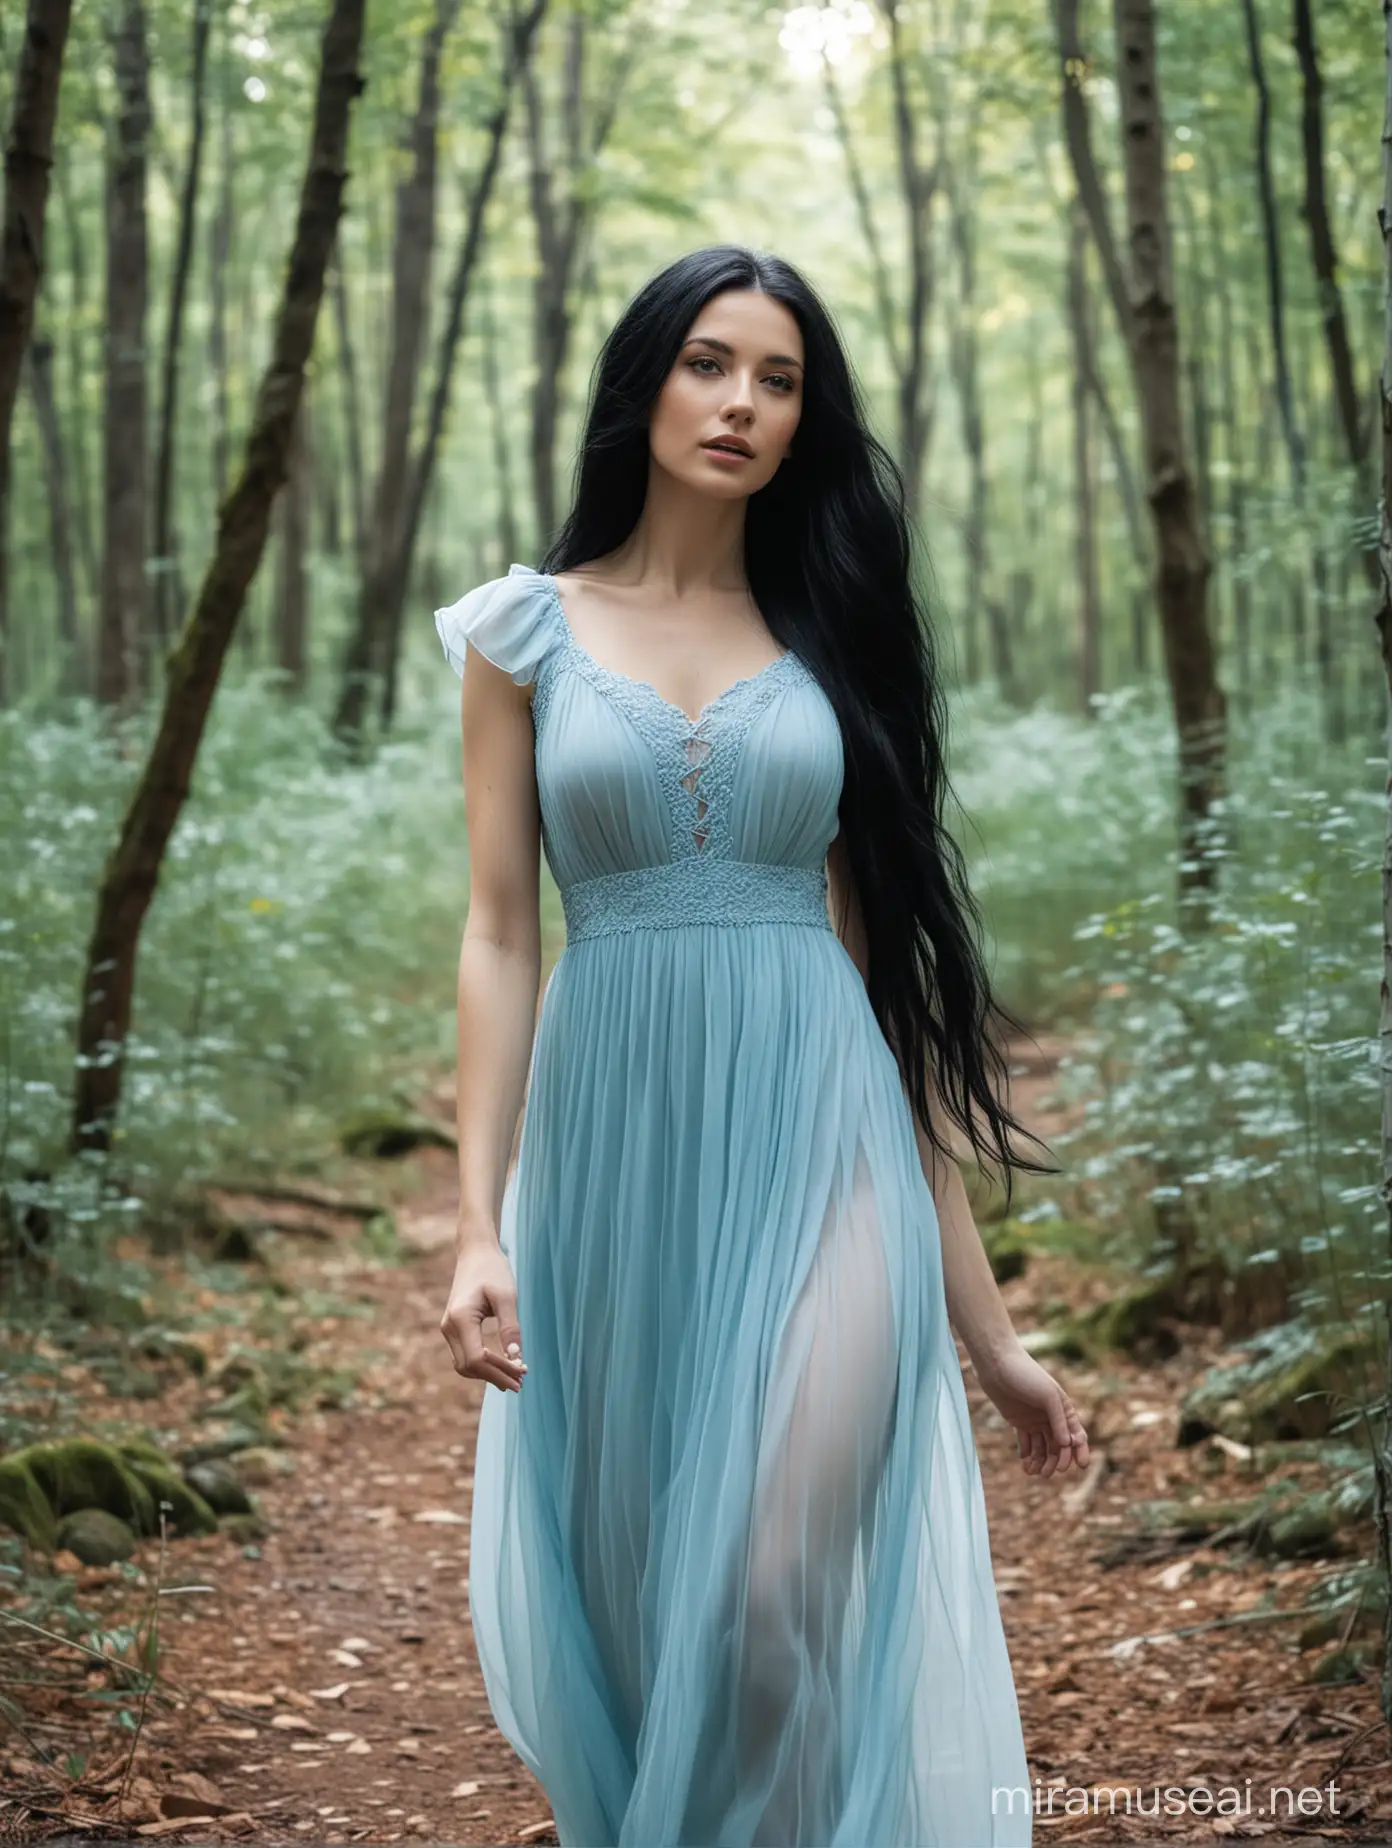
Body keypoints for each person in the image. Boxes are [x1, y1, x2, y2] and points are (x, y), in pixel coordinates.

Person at [435, 244, 1088, 1848]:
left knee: (775, 1586)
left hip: (824, 1135)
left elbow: (878, 987)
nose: (740, 402)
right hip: (616, 1155)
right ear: (644, 380)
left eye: (779, 378)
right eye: (710, 363)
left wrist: (990, 1336)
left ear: (807, 419)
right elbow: (503, 932)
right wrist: (473, 1220)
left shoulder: (831, 629)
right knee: (665, 1622)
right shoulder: (522, 633)